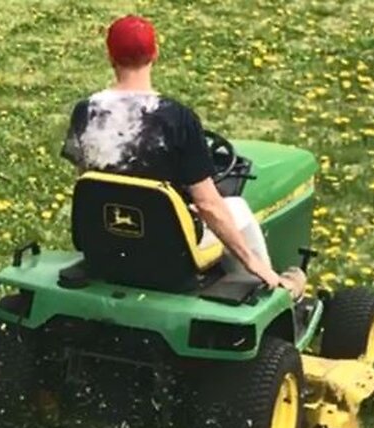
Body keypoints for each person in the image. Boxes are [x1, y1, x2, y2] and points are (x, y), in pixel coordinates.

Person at [60, 15, 303, 296]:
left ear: (109, 55)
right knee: (236, 208)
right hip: (166, 253)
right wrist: (255, 263)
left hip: (105, 241)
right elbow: (209, 205)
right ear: (155, 53)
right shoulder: (177, 118)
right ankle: (267, 288)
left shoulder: (85, 111)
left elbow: (90, 181)